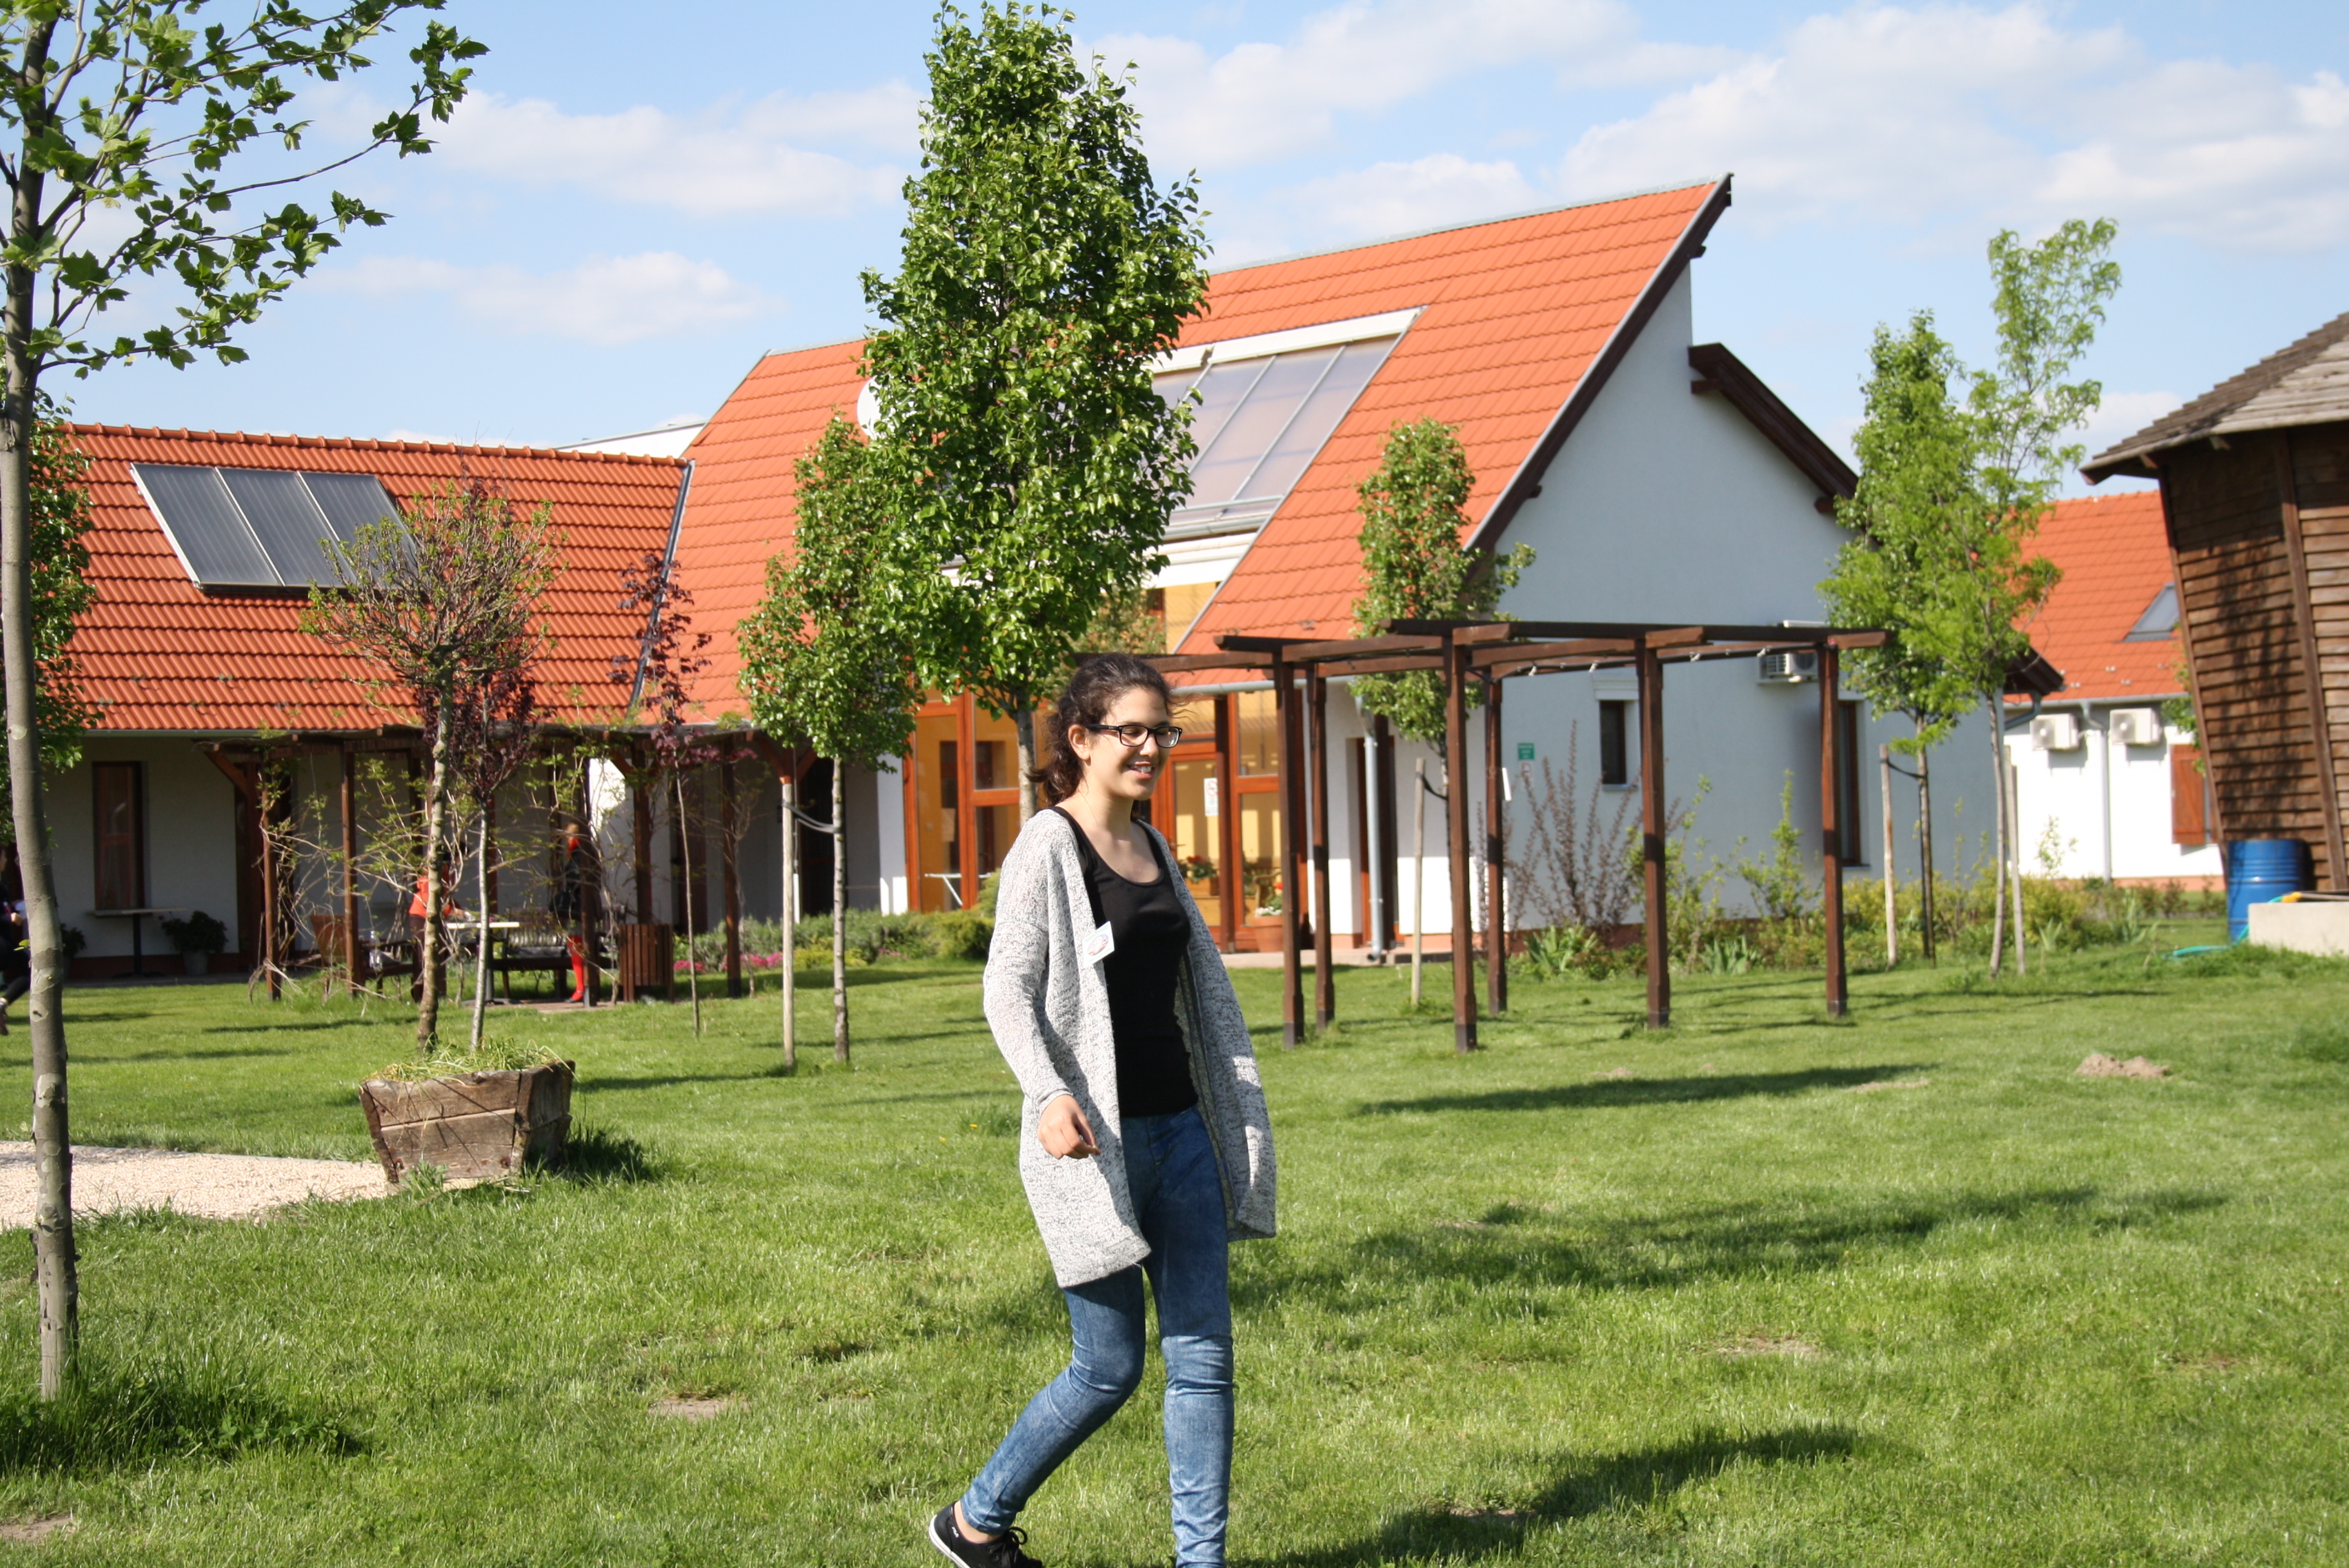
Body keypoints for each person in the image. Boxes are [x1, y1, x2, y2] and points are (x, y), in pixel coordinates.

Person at [928, 653, 1277, 1568]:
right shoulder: (1048, 846)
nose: (1151, 747)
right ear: (1080, 739)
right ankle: (973, 1520)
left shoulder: (1154, 846)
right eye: (1132, 730)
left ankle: (1200, 1560)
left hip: (1182, 1133)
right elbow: (1005, 989)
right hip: (1093, 1146)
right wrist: (1047, 1094)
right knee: (1108, 1367)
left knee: (1203, 1358)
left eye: (1162, 731)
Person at [551, 817, 595, 1003]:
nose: (566, 840)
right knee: (576, 945)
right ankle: (582, 986)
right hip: (582, 905)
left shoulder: (578, 853)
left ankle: (581, 987)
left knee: (576, 945)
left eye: (567, 836)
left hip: (579, 907)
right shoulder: (584, 851)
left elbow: (577, 878)